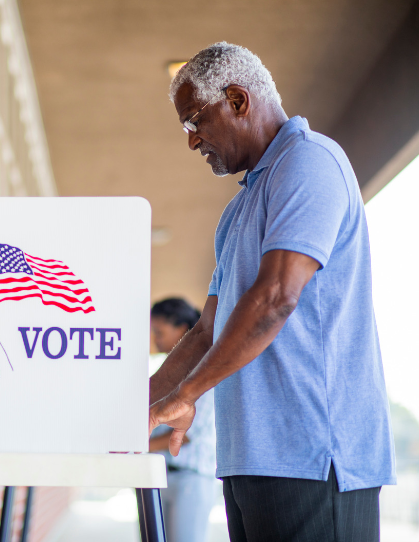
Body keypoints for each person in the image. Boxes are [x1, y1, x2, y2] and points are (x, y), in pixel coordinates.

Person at [149, 42, 395, 542]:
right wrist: (139, 408)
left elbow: (277, 296)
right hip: (250, 460)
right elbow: (205, 332)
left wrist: (188, 395)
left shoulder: (309, 162)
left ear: (238, 100)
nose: (192, 142)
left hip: (314, 456)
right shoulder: (238, 211)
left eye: (195, 121)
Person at [150, 298, 215, 542]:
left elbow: (187, 434)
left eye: (159, 332)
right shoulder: (164, 372)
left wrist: (137, 448)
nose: (155, 339)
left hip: (190, 479)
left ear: (181, 329)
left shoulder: (203, 371)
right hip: (160, 476)